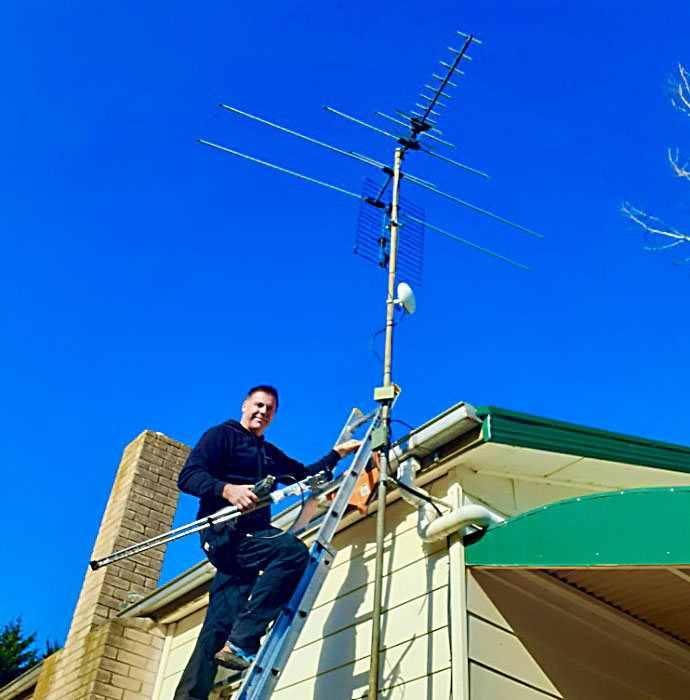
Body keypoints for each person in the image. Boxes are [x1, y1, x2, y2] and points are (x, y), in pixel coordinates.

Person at [173, 385, 361, 700]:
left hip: (250, 545)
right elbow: (189, 476)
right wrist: (228, 490)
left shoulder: (269, 455)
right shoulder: (223, 435)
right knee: (292, 553)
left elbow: (304, 477)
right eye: (258, 405)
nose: (262, 412)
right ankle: (244, 642)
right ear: (245, 405)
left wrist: (337, 455)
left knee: (216, 628)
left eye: (269, 409)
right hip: (227, 534)